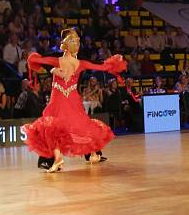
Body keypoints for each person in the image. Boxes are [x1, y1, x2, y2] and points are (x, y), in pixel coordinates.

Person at [23, 29, 126, 173]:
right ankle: (91, 154)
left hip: (59, 99)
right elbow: (101, 66)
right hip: (71, 99)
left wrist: (53, 70)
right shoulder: (79, 63)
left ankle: (62, 158)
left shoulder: (57, 60)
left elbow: (34, 59)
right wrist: (114, 63)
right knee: (79, 125)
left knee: (52, 127)